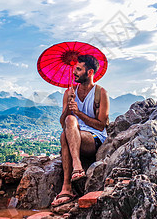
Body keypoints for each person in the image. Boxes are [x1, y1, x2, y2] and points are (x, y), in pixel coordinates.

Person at [51, 54, 109, 207]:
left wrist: (79, 113)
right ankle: (73, 175)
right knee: (68, 126)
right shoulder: (69, 92)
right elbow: (63, 122)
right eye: (74, 69)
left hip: (93, 138)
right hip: (72, 135)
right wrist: (69, 105)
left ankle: (68, 184)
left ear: (89, 72)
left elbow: (101, 125)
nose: (74, 72)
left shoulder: (100, 93)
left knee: (67, 133)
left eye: (78, 69)